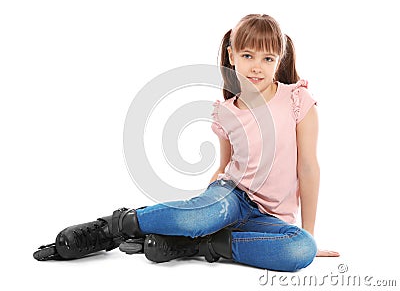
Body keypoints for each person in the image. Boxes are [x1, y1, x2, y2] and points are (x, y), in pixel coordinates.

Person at [33, 14, 339, 271]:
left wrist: (308, 233)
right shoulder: (227, 111)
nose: (257, 67)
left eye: (267, 58)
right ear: (232, 56)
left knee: (301, 249)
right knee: (200, 216)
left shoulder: (297, 100)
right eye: (247, 56)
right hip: (231, 197)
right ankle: (113, 227)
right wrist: (201, 213)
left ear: (279, 60)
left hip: (270, 219)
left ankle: (198, 245)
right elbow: (223, 168)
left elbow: (308, 167)